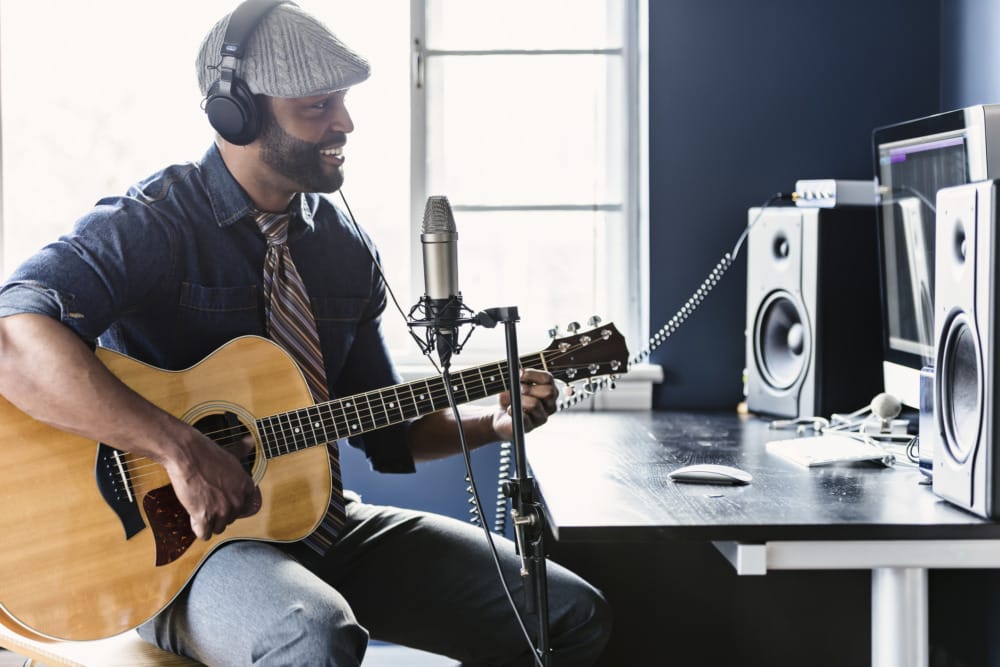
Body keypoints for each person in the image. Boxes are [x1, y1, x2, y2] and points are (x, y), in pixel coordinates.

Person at [0, 2, 611, 666]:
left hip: (322, 525)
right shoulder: (155, 223)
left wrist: (493, 422)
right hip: (182, 552)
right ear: (239, 112)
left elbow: (390, 432)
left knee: (571, 613)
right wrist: (180, 449)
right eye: (319, 106)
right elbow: (14, 340)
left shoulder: (345, 250)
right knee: (313, 634)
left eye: (343, 102)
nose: (345, 122)